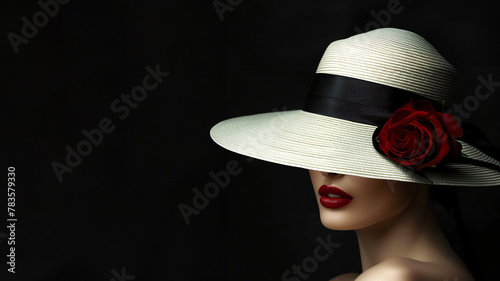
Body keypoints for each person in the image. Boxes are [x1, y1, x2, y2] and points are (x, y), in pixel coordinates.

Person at [210, 28, 500, 281]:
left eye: (353, 153)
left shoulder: (396, 278)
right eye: (322, 145)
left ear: (424, 153)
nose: (328, 170)